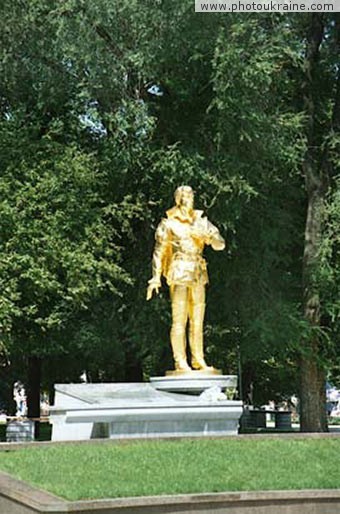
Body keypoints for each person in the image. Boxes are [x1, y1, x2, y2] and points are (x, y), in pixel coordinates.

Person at [147, 186, 225, 372]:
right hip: (179, 270)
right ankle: (180, 361)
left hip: (198, 272)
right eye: (183, 195)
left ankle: (199, 359)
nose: (188, 198)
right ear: (177, 199)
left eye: (190, 194)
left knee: (197, 320)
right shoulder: (169, 224)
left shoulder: (201, 222)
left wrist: (208, 236)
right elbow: (159, 252)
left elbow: (220, 245)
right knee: (179, 319)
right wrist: (155, 277)